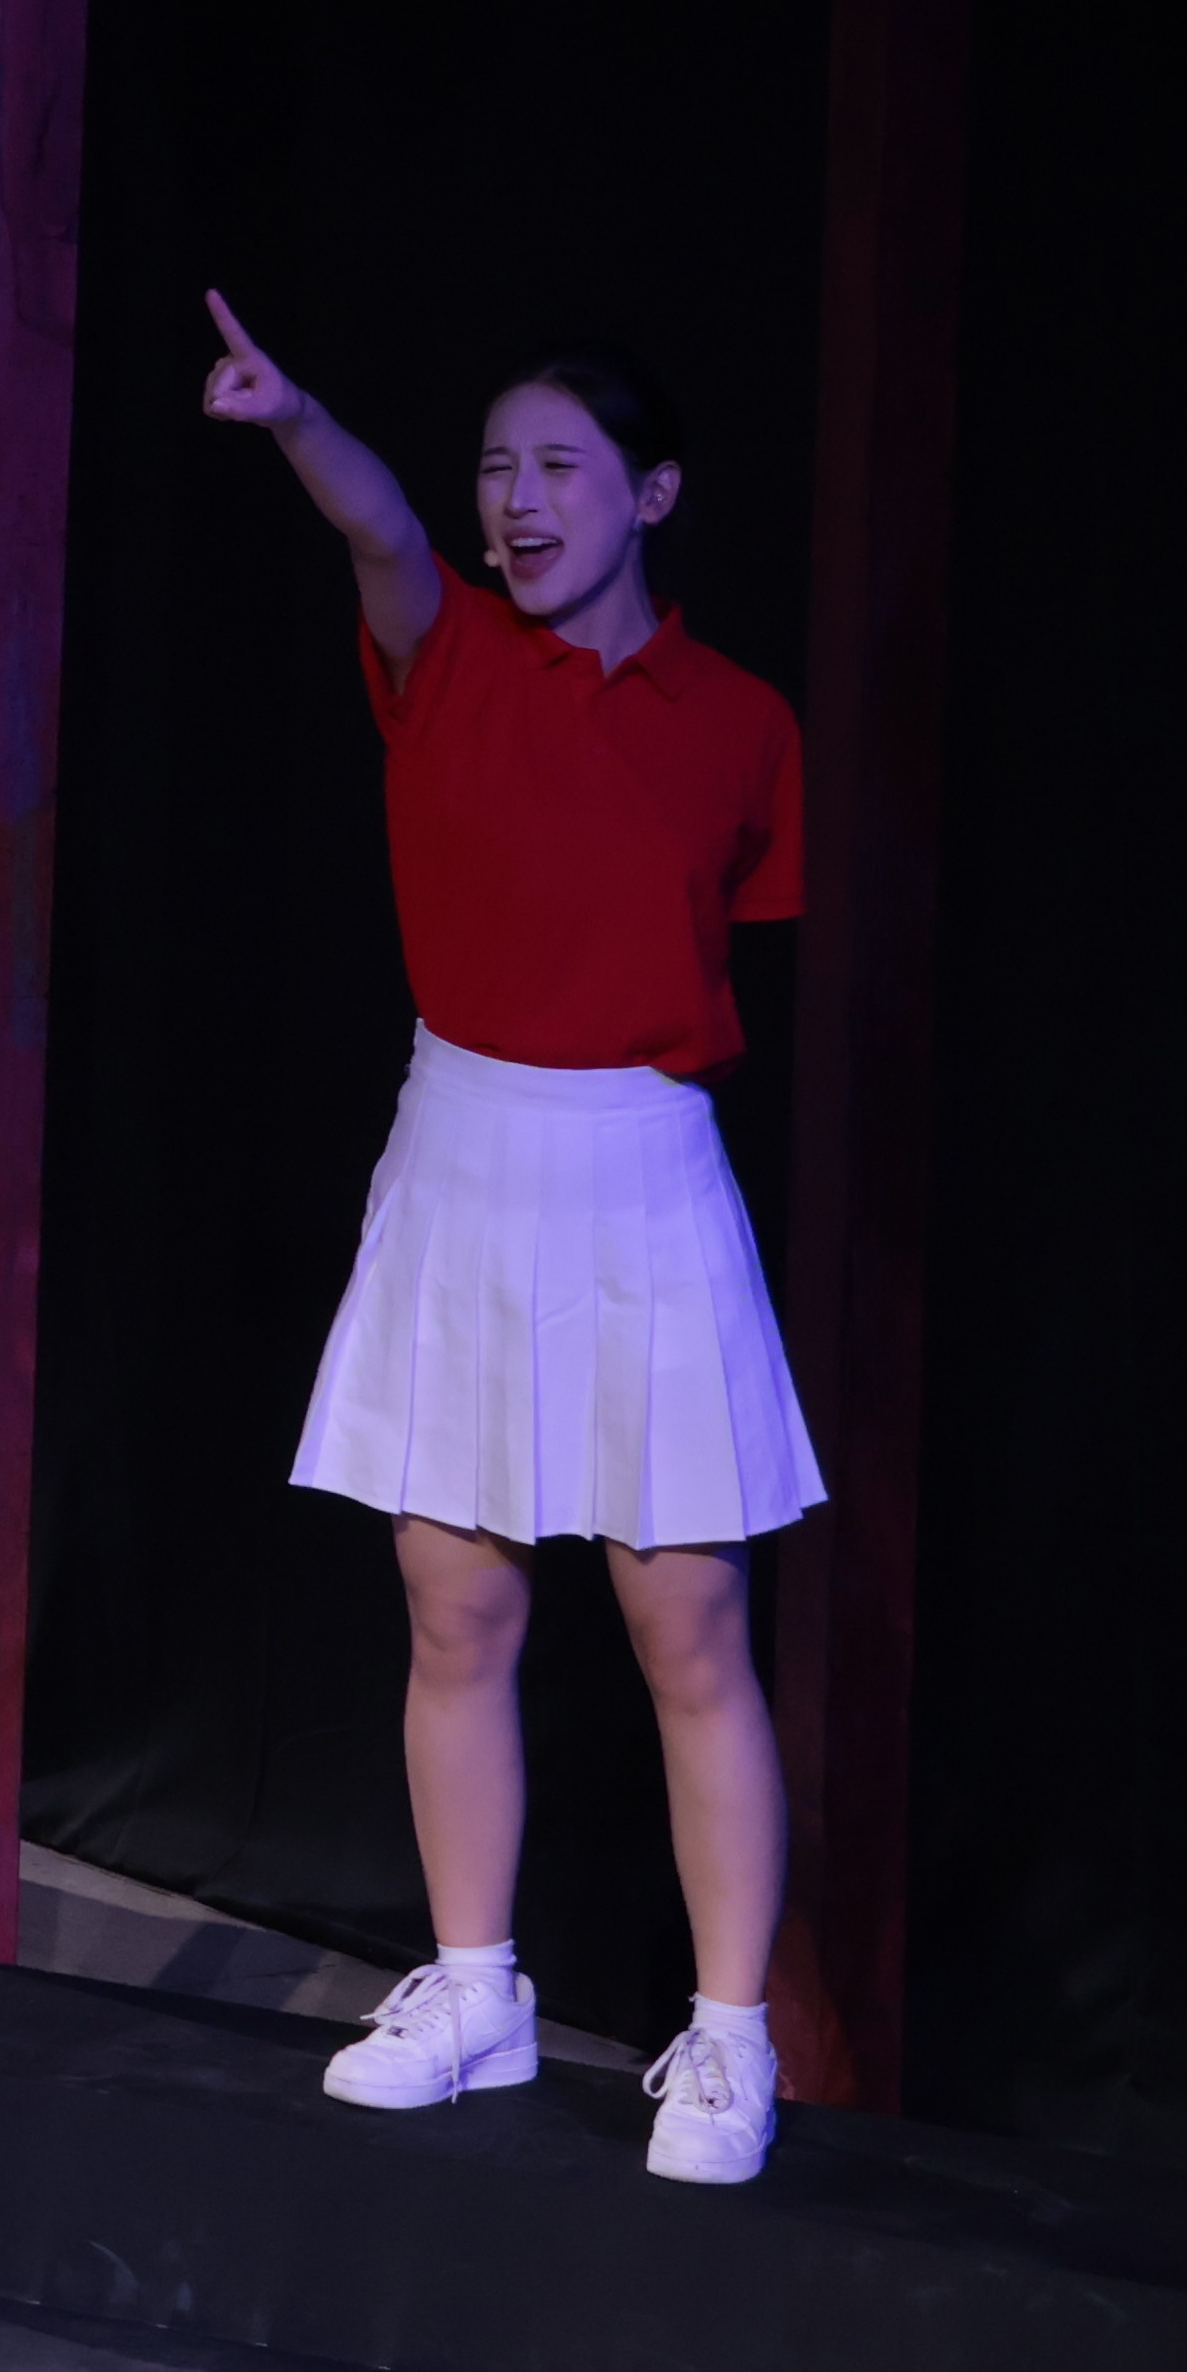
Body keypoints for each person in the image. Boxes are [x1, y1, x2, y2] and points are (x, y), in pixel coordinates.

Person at [203, 298, 817, 2190]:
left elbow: (734, 925)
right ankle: (477, 1989)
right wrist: (295, 415)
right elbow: (377, 524)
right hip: (462, 1149)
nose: (517, 502)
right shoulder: (444, 648)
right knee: (455, 1604)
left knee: (687, 1620)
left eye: (560, 467)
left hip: (640, 1166)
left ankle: (733, 2040)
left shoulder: (742, 725)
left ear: (653, 493)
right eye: (497, 468)